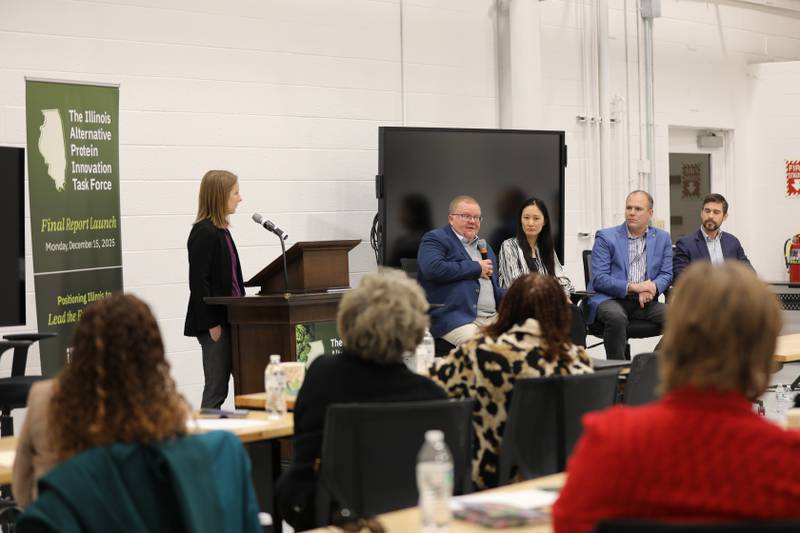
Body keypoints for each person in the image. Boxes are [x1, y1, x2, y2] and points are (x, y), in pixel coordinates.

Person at [553, 262, 800, 532]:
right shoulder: (788, 463)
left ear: (674, 340)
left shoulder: (609, 444)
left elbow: (568, 524)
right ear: (764, 355)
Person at [275, 270, 447, 531]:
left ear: (347, 318)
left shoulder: (323, 374)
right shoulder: (431, 395)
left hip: (328, 513)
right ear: (414, 330)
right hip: (409, 515)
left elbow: (304, 452)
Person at [13, 294, 190, 507]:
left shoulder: (43, 398)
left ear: (80, 343)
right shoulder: (163, 410)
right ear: (150, 351)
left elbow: (22, 490)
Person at [429, 273, 592, 490]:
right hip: (563, 481)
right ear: (560, 313)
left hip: (493, 483)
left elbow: (433, 384)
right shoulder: (577, 358)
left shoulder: (481, 352)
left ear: (508, 309)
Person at [585, 190, 672, 359]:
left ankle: (650, 368)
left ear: (650, 213)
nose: (631, 212)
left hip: (643, 302)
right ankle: (618, 372)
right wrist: (635, 287)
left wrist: (652, 288)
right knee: (616, 317)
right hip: (609, 299)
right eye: (628, 208)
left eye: (638, 209)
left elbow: (666, 274)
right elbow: (599, 279)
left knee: (680, 319)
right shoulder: (606, 237)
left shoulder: (663, 238)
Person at [184, 169, 244, 409]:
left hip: (234, 318)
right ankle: (204, 443)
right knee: (216, 389)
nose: (240, 198)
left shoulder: (222, 231)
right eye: (235, 193)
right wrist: (212, 324)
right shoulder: (204, 232)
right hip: (215, 323)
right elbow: (199, 283)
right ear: (220, 196)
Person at [417, 195, 505, 346]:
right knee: (486, 347)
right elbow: (433, 269)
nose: (472, 221)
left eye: (477, 218)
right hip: (454, 319)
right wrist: (477, 267)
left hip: (492, 317)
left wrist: (522, 293)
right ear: (451, 219)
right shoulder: (435, 238)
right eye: (466, 216)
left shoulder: (485, 247)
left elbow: (493, 287)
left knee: (527, 336)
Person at [497, 197, 585, 346]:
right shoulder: (509, 246)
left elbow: (563, 280)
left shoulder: (546, 248)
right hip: (520, 307)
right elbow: (519, 285)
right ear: (520, 220)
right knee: (566, 313)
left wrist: (563, 295)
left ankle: (575, 357)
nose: (530, 223)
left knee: (573, 310)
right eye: (526, 218)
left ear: (544, 222)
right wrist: (554, 296)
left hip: (547, 305)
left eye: (536, 218)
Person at [672, 193, 753, 283]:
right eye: (707, 211)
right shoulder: (686, 244)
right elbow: (680, 278)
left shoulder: (733, 242)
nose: (710, 216)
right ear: (701, 213)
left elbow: (749, 273)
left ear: (725, 216)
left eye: (716, 212)